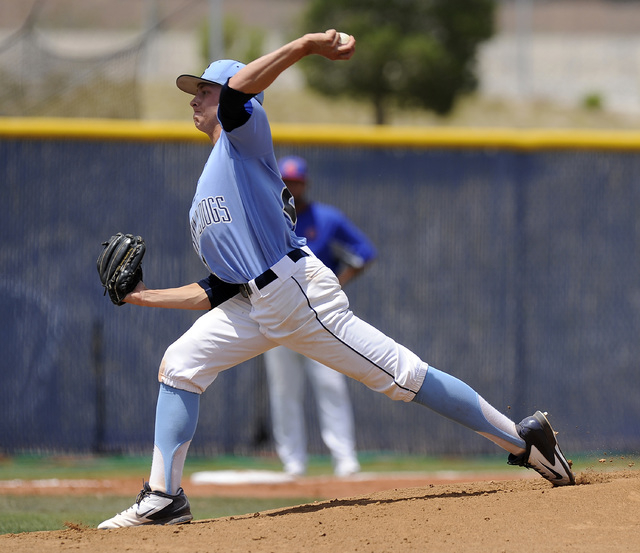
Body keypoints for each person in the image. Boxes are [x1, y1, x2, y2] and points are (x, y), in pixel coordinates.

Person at [98, 30, 575, 530]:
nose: (194, 98)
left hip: (297, 294)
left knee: (403, 377)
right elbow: (218, 287)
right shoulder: (215, 174)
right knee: (180, 364)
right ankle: (162, 498)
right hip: (255, 301)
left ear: (236, 98)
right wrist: (140, 297)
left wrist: (304, 46)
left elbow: (239, 93)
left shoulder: (246, 135)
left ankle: (526, 445)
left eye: (205, 89)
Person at [265, 155, 376, 477]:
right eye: (286, 181)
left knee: (331, 384)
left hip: (319, 315)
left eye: (296, 181)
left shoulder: (326, 217)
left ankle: (344, 457)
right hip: (279, 315)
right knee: (284, 390)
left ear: (305, 183)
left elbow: (364, 253)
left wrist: (336, 282)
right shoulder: (268, 219)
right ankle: (293, 460)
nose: (292, 186)